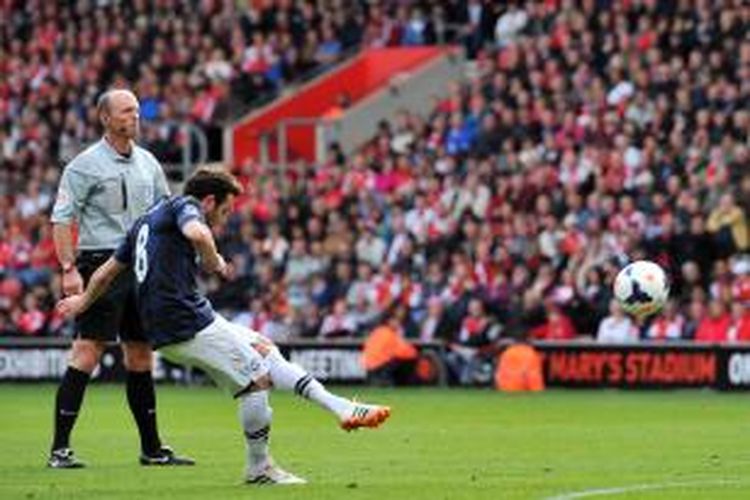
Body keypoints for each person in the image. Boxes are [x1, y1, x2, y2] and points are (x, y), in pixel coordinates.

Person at [56, 167, 391, 484]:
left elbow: (105, 273)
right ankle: (259, 469)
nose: (224, 219)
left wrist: (81, 303)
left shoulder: (144, 221)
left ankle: (344, 408)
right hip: (184, 323)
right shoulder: (186, 206)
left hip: (182, 319)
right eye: (226, 211)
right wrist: (213, 260)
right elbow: (197, 231)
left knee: (266, 349)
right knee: (256, 381)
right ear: (209, 201)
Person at [48, 89, 193, 468]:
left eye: (137, 112)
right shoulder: (83, 165)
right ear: (105, 119)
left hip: (142, 268)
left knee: (141, 355)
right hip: (100, 264)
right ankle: (59, 450)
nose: (135, 117)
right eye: (127, 112)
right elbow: (62, 218)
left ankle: (152, 449)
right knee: (87, 351)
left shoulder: (148, 163)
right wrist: (68, 269)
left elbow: (166, 212)